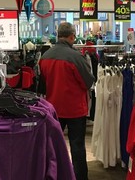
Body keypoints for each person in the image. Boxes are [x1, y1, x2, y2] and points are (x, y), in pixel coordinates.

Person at [39, 22, 95, 180]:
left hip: (53, 108)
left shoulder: (45, 57)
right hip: (75, 109)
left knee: (52, 147)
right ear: (71, 36)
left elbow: (42, 87)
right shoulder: (76, 57)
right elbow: (88, 82)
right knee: (77, 147)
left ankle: (53, 175)